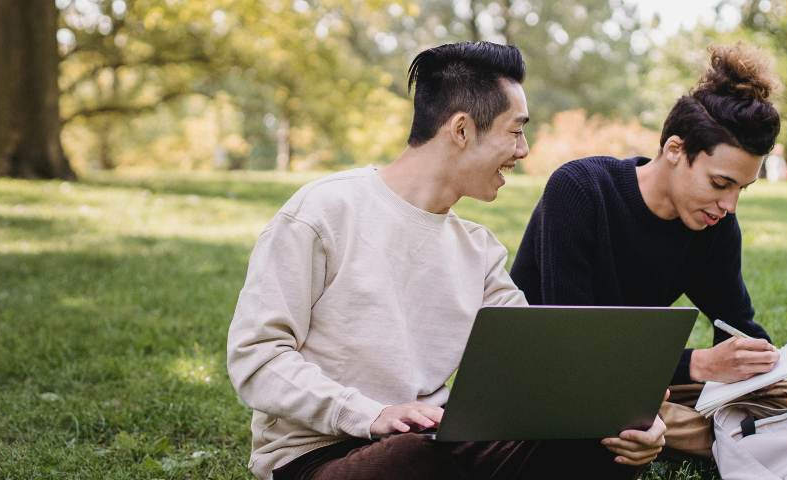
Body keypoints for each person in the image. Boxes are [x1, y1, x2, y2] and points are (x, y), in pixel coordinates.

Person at [226, 41, 665, 480]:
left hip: (436, 444)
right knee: (410, 461)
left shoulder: (479, 250)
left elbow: (543, 369)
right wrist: (369, 414)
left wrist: (633, 420)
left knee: (601, 440)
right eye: (515, 131)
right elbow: (258, 357)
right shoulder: (324, 212)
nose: (524, 150)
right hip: (322, 456)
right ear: (461, 130)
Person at [509, 44, 787, 460]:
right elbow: (572, 347)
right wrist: (698, 365)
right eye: (720, 184)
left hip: (638, 381)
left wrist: (755, 360)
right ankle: (735, 436)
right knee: (606, 408)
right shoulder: (582, 190)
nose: (729, 205)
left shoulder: (715, 225)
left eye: (740, 189)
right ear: (676, 150)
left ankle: (687, 432)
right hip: (556, 377)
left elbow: (735, 322)